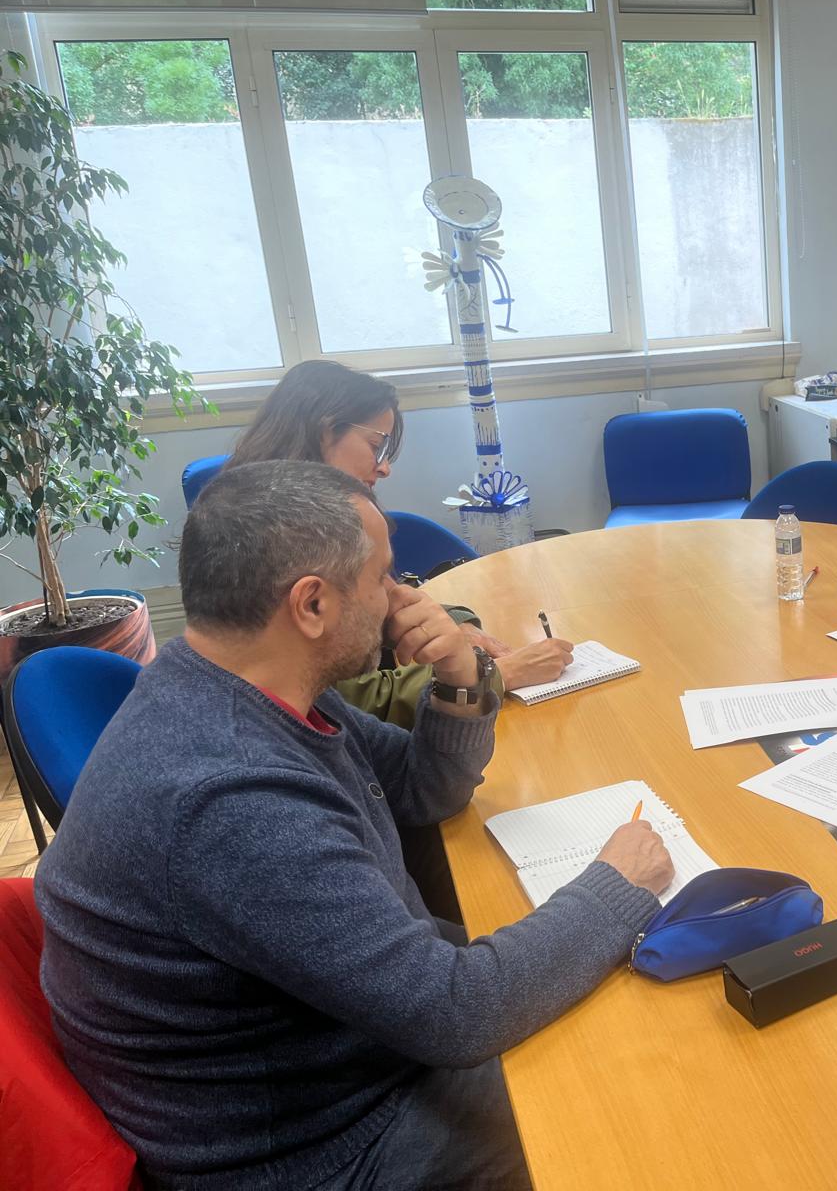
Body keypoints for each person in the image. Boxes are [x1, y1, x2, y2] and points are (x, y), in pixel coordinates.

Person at [34, 460, 675, 1189]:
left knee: (619, 999)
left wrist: (461, 676)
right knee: (638, 1099)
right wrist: (616, 887)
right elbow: (455, 1013)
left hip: (341, 1057)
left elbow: (421, 790)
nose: (402, 598)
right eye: (383, 577)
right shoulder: (231, 798)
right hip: (321, 1147)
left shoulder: (244, 682)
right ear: (311, 604)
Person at [230, 359, 573, 728]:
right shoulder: (277, 538)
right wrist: (496, 675)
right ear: (326, 432)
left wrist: (454, 626)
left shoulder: (303, 509)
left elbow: (382, 597)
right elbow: (348, 703)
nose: (384, 467)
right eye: (376, 446)